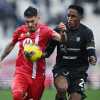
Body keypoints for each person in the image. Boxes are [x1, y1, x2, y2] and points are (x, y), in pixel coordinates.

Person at [0, 6, 62, 100]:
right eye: (27, 22)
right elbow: (11, 44)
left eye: (32, 21)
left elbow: (60, 38)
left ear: (38, 18)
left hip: (38, 75)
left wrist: (63, 34)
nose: (29, 24)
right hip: (21, 73)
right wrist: (1, 58)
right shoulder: (20, 30)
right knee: (17, 95)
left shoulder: (46, 31)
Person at [45, 5, 97, 100]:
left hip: (79, 72)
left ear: (80, 17)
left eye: (73, 16)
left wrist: (92, 58)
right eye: (68, 16)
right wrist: (39, 53)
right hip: (62, 68)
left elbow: (91, 51)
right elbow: (47, 52)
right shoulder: (58, 30)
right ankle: (60, 96)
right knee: (62, 88)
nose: (69, 18)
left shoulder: (87, 32)